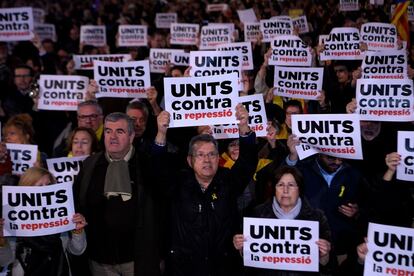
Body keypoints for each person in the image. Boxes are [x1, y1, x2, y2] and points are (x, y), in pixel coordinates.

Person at [154, 104, 259, 275]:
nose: (207, 160)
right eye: (201, 155)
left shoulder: (228, 181)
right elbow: (157, 168)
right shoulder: (178, 184)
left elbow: (247, 162)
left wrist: (244, 126)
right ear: (190, 160)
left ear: (218, 158)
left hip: (222, 267)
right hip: (184, 268)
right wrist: (161, 132)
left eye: (211, 154)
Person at [73, 112, 165, 275]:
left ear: (131, 136)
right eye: (108, 131)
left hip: (137, 260)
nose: (112, 137)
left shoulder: (145, 164)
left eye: (119, 131)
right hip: (99, 260)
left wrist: (161, 134)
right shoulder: (90, 165)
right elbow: (78, 203)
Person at [233, 166, 332, 275]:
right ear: (274, 189)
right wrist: (242, 249)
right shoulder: (257, 214)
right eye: (280, 185)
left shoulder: (317, 217)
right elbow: (248, 263)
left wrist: (324, 254)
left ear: (299, 189)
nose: (285, 190)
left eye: (291, 185)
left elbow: (324, 265)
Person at [285, 135, 365, 267]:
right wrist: (293, 156)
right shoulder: (303, 170)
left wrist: (357, 211)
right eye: (331, 157)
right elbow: (281, 180)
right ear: (319, 154)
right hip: (308, 241)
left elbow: (368, 203)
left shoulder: (354, 173)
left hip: (342, 244)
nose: (338, 162)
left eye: (341, 157)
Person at [0, 167, 87, 276]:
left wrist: (77, 231)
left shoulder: (61, 214)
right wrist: (2, 241)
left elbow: (77, 251)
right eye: (39, 186)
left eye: (48, 185)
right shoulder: (13, 218)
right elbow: (5, 261)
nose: (45, 190)